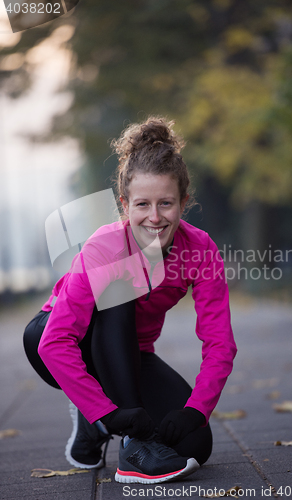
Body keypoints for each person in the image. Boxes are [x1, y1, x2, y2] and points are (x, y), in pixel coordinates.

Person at [23, 116, 237, 485]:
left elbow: (220, 344)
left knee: (195, 444)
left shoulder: (200, 249)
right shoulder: (104, 246)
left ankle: (101, 424)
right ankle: (128, 443)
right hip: (59, 338)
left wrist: (194, 411)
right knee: (119, 284)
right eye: (142, 204)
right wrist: (110, 414)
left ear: (183, 203)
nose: (154, 218)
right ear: (124, 204)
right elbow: (54, 343)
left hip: (129, 355)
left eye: (166, 203)